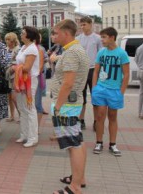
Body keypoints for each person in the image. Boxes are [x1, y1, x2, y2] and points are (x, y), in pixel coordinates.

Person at [50, 19, 90, 194]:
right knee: (77, 142)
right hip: (72, 103)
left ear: (66, 33)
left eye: (56, 32)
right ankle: (78, 178)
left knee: (73, 144)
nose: (54, 35)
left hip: (67, 104)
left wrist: (57, 106)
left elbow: (68, 83)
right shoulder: (73, 49)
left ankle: (75, 187)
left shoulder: (72, 52)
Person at [92, 27, 129, 156]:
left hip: (115, 91)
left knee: (113, 117)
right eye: (101, 37)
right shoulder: (101, 53)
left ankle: (113, 144)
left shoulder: (121, 54)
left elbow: (126, 74)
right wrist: (94, 88)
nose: (101, 40)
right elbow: (96, 71)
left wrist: (121, 92)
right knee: (100, 116)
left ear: (112, 37)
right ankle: (99, 142)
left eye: (104, 37)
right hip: (101, 89)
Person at [13, 26, 40, 148]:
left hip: (29, 82)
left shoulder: (32, 49)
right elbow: (19, 63)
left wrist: (14, 68)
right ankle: (24, 134)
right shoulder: (23, 47)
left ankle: (33, 137)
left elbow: (27, 67)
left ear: (29, 35)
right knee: (22, 108)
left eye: (23, 33)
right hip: (20, 81)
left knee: (29, 108)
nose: (21, 34)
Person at [76, 16, 103, 131]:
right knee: (81, 97)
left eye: (84, 25)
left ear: (90, 24)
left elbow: (101, 54)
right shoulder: (78, 39)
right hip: (81, 70)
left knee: (95, 97)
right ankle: (81, 120)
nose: (82, 27)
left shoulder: (97, 38)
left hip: (93, 70)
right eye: (81, 25)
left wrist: (99, 69)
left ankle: (96, 121)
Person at [4, 32, 20, 122]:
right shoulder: (6, 49)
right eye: (6, 39)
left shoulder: (18, 49)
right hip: (7, 75)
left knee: (15, 97)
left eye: (8, 39)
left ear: (13, 40)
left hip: (14, 75)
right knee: (9, 97)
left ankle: (21, 115)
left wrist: (11, 65)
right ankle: (12, 116)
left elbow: (18, 61)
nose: (7, 41)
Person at [35, 34, 49, 131]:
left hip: (38, 76)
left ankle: (37, 128)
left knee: (37, 102)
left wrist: (44, 60)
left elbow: (46, 59)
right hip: (33, 77)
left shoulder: (41, 48)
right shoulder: (25, 48)